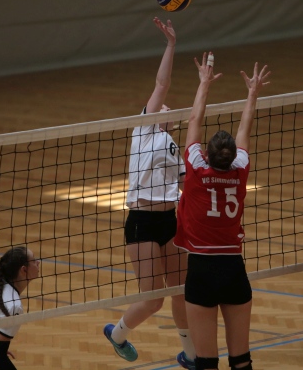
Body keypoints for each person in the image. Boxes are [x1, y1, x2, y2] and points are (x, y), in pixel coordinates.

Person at [103, 18, 197, 369]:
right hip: (141, 221)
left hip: (170, 221)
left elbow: (187, 186)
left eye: (169, 109)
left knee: (180, 290)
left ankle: (190, 353)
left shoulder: (173, 146)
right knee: (153, 299)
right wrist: (171, 45)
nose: (166, 108)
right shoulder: (144, 131)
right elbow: (162, 83)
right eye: (162, 107)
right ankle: (117, 335)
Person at [174, 52, 270, 370]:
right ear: (230, 157)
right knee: (241, 360)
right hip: (233, 268)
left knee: (206, 362)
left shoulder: (196, 170)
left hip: (201, 270)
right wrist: (252, 93)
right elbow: (245, 132)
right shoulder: (239, 171)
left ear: (207, 154)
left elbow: (193, 122)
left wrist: (204, 82)